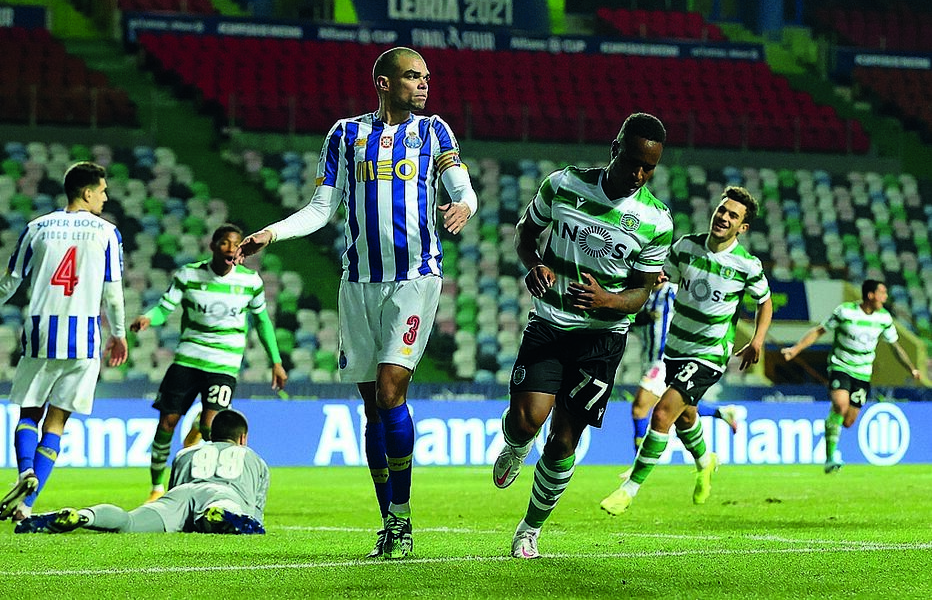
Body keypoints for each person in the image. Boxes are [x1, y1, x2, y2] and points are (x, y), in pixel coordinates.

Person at [234, 46, 477, 560]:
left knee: (390, 391)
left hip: (414, 278)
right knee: (372, 409)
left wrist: (464, 204)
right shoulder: (345, 135)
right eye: (412, 76)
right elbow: (322, 208)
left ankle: (403, 518)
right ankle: (389, 522)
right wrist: (273, 232)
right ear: (384, 82)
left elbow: (462, 186)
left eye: (426, 77)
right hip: (358, 283)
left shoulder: (435, 132)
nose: (424, 84)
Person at [491, 112, 673, 559]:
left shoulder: (655, 221)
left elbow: (642, 292)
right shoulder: (564, 184)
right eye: (633, 162)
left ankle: (529, 530)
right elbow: (525, 233)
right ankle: (516, 445)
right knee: (525, 421)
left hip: (601, 340)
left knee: (563, 441)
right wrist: (534, 264)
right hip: (550, 323)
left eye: (649, 168)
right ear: (615, 149)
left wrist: (607, 300)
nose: (639, 174)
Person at [600, 185, 773, 515]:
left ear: (742, 227)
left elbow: (764, 302)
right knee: (685, 417)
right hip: (676, 349)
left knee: (662, 413)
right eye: (722, 210)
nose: (724, 217)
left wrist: (758, 340)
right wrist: (656, 277)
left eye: (733, 215)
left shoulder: (747, 265)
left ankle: (629, 490)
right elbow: (667, 276)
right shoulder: (685, 247)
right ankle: (705, 460)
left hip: (709, 353)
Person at [0, 161, 128, 522]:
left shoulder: (36, 227)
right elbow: (113, 294)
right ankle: (26, 505)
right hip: (83, 340)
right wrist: (118, 334)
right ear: (87, 193)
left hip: (41, 333)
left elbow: (10, 282)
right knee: (56, 423)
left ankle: (25, 471)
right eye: (102, 191)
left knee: (29, 412)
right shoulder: (108, 233)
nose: (105, 197)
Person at [132, 224, 287, 504]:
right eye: (225, 242)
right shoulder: (189, 275)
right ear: (213, 246)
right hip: (188, 358)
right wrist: (148, 318)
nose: (231, 248)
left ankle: (210, 486)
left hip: (224, 363)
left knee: (212, 429)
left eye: (236, 244)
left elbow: (262, 322)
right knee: (167, 422)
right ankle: (156, 488)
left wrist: (275, 362)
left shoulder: (250, 282)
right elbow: (164, 309)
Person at [15, 408, 268, 534]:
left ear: (210, 434)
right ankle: (220, 514)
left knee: (130, 522)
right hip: (223, 495)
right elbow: (255, 518)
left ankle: (83, 516)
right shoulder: (255, 460)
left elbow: (175, 492)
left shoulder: (185, 454)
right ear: (242, 438)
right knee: (225, 512)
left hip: (181, 494)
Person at [780, 280, 920, 473]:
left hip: (863, 373)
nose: (885, 297)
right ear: (870, 295)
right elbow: (819, 331)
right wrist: (796, 349)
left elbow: (895, 346)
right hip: (841, 366)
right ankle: (830, 458)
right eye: (882, 293)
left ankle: (831, 424)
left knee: (848, 421)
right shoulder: (845, 312)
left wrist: (911, 368)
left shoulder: (884, 318)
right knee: (840, 404)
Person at [628, 275, 741, 457]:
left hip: (665, 360)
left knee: (639, 407)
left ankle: (637, 459)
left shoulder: (673, 291)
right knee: (677, 408)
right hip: (649, 359)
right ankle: (721, 412)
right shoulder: (645, 296)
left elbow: (701, 306)